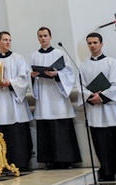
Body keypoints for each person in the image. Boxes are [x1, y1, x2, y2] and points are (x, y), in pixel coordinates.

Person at [80, 32, 116, 182]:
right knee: (101, 143)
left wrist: (102, 97)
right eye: (90, 43)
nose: (92, 46)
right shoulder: (83, 65)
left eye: (95, 42)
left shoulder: (111, 63)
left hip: (112, 111)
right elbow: (79, 85)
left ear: (101, 44)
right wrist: (90, 96)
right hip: (95, 110)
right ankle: (107, 171)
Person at [30, 27, 81, 169]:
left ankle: (66, 160)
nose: (43, 38)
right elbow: (31, 75)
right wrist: (32, 76)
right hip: (43, 97)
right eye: (40, 36)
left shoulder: (59, 53)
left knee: (62, 129)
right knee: (46, 129)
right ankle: (49, 160)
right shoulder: (34, 55)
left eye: (45, 35)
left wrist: (57, 75)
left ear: (50, 37)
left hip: (58, 97)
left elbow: (69, 73)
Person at [0, 31, 33, 171]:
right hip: (1, 104)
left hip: (15, 104)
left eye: (9, 40)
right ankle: (4, 163)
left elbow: (24, 78)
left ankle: (22, 163)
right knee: (3, 135)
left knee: (19, 135)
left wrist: (10, 83)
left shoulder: (18, 58)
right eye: (5, 40)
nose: (8, 42)